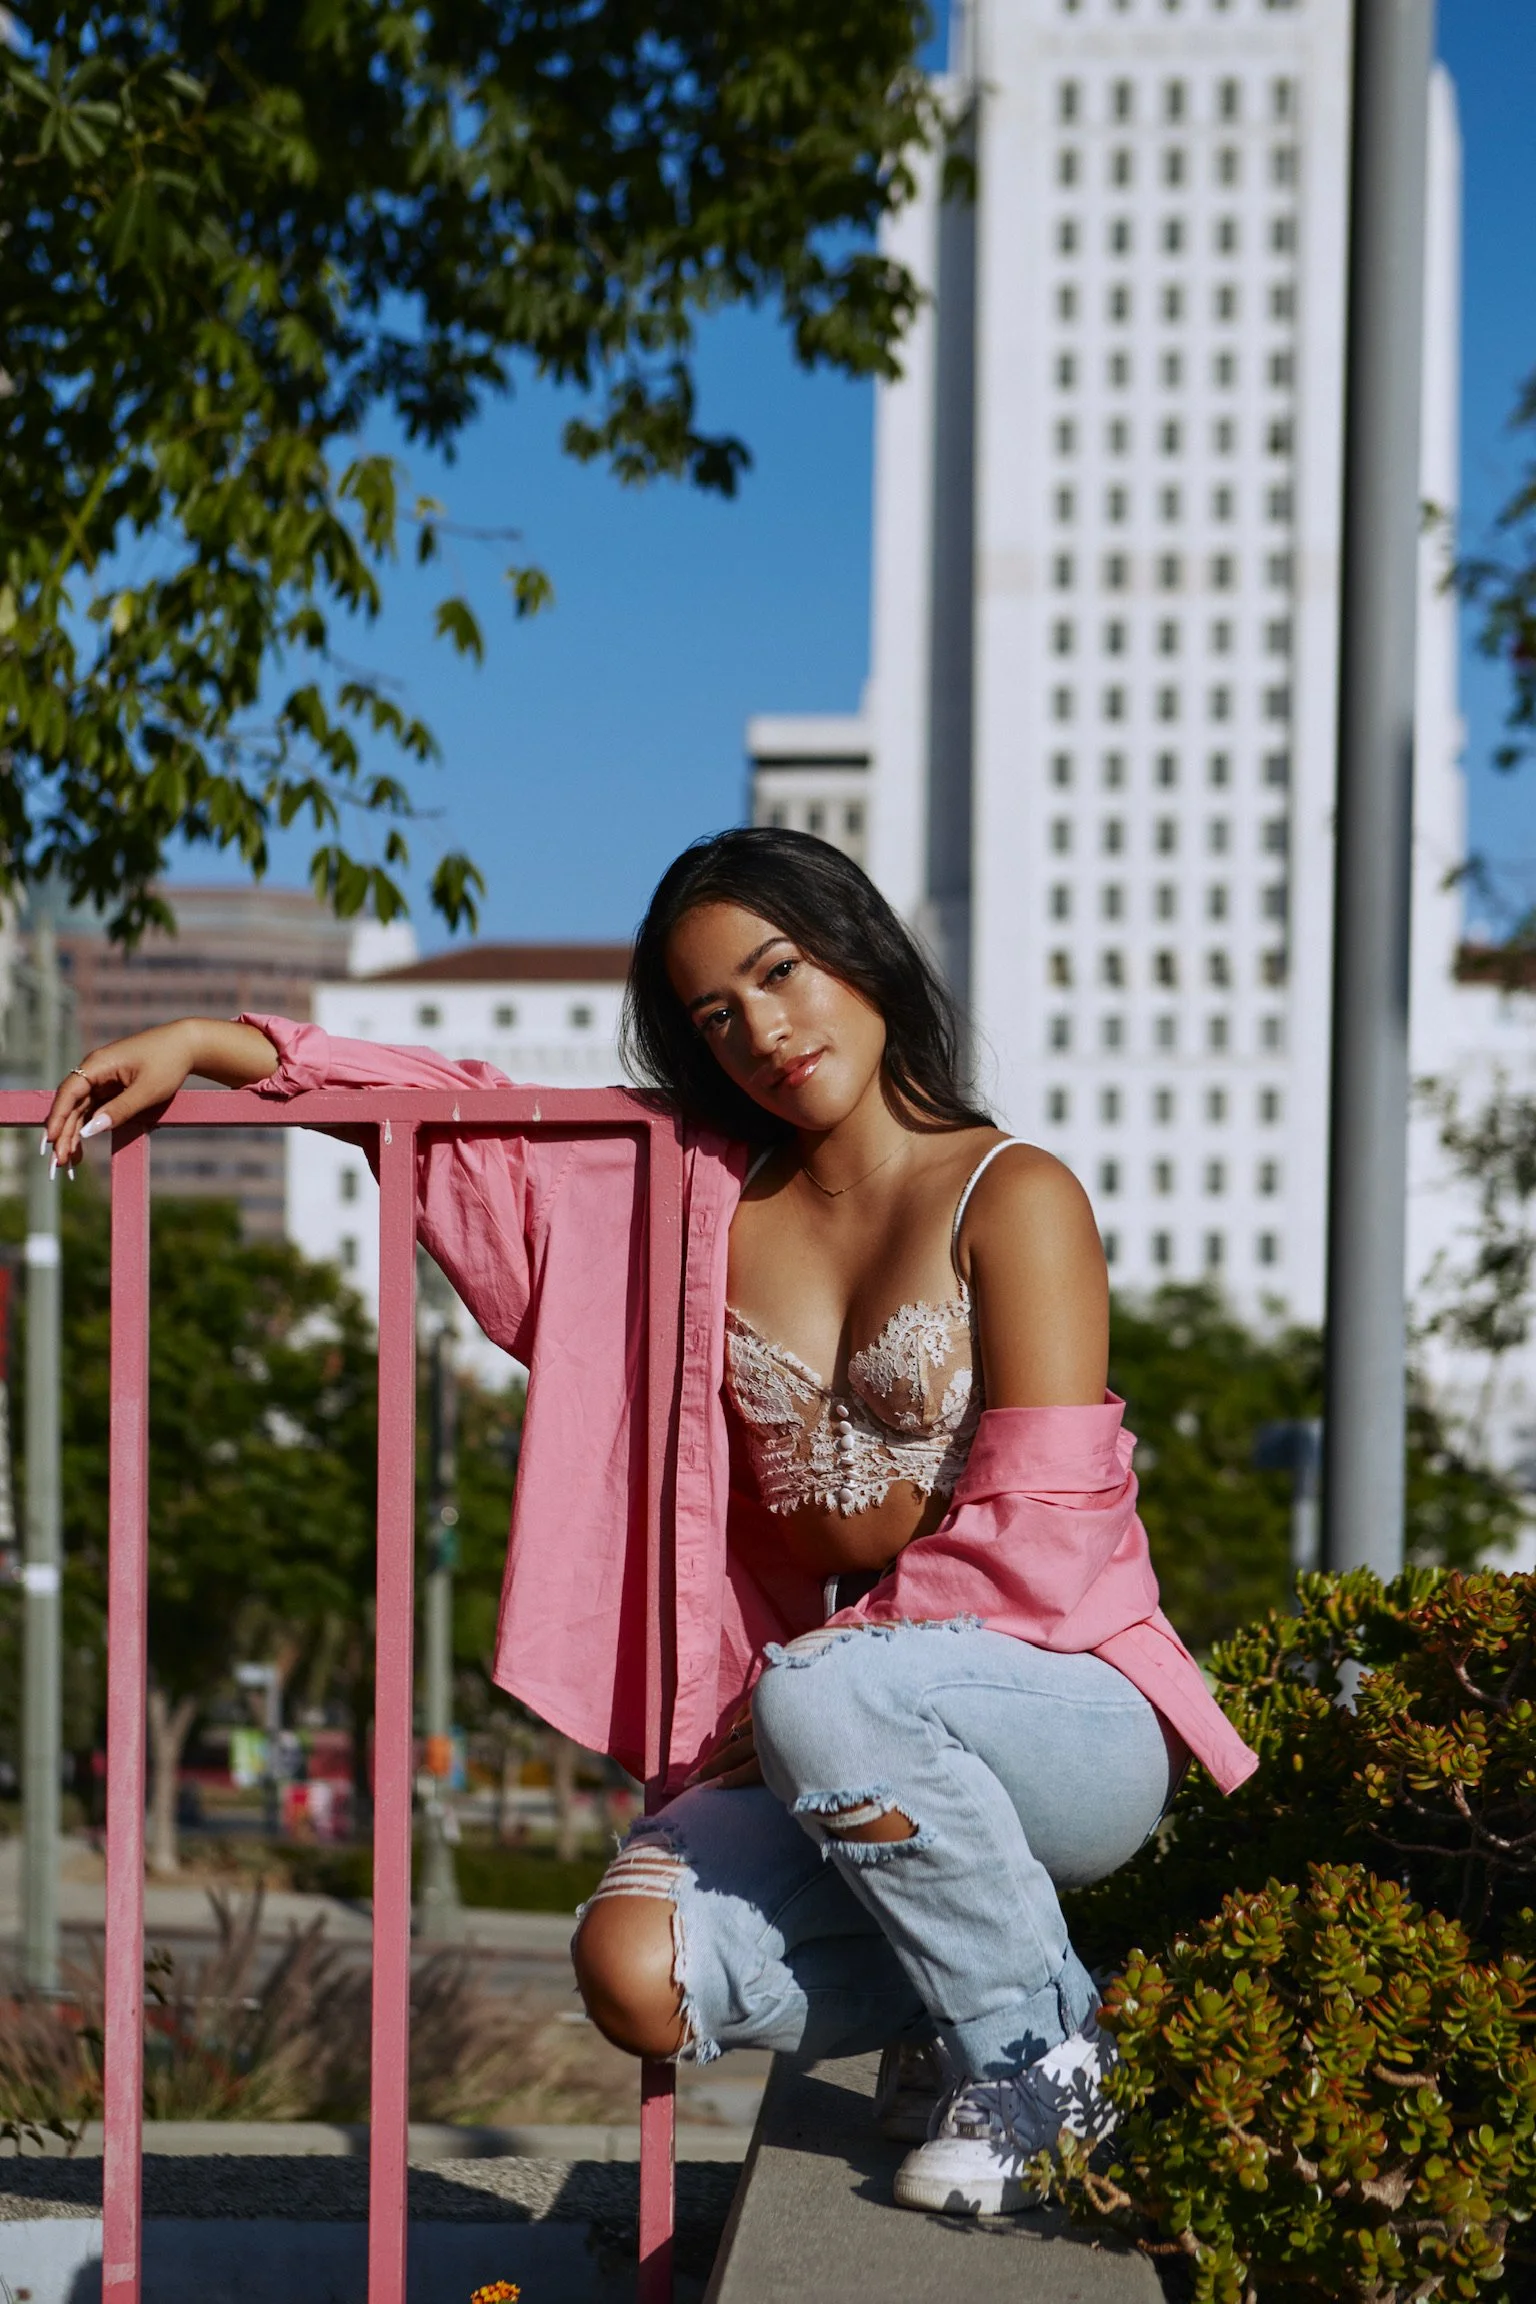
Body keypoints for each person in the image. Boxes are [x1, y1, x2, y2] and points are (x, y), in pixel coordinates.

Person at [44, 828, 1255, 2215]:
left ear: (859, 951)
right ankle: (950, 1995)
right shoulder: (698, 1201)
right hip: (832, 1727)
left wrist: (812, 1688)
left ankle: (1042, 2072)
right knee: (637, 1966)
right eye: (717, 1016)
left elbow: (1047, 1533)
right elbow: (472, 1127)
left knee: (827, 1698)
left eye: (782, 971)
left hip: (1067, 1713)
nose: (766, 1031)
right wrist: (218, 1045)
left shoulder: (1013, 1192)